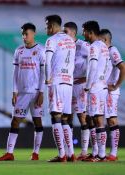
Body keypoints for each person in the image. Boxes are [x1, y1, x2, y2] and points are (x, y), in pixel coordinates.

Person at [0, 23, 45, 161]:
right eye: (22, 34)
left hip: (35, 93)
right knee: (15, 121)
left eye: (26, 34)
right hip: (22, 93)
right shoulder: (19, 51)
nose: (24, 36)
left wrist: (41, 92)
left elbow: (43, 73)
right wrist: (14, 91)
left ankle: (35, 153)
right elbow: (15, 73)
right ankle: (9, 153)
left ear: (33, 33)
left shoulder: (41, 50)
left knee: (38, 122)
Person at [44, 15, 76, 162]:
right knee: (65, 118)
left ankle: (62, 155)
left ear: (51, 25)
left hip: (56, 81)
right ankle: (71, 154)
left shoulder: (52, 40)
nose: (46, 29)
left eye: (46, 26)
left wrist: (47, 78)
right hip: (68, 82)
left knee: (55, 116)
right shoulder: (70, 40)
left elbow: (48, 61)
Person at [82, 21, 112, 162]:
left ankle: (101, 154)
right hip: (102, 86)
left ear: (90, 32)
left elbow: (93, 67)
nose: (83, 34)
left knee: (97, 120)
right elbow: (109, 67)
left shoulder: (94, 47)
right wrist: (103, 80)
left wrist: (88, 86)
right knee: (97, 118)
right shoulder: (104, 47)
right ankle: (98, 153)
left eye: (84, 31)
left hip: (94, 87)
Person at [63, 22, 91, 160]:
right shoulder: (64, 46)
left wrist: (87, 78)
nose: (63, 34)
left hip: (81, 85)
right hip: (68, 84)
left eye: (66, 31)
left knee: (82, 117)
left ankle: (84, 151)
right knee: (67, 117)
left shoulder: (83, 46)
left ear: (73, 32)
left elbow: (96, 61)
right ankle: (69, 152)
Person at [99, 29, 125, 161]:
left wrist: (115, 86)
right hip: (103, 90)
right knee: (101, 119)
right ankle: (100, 153)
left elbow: (123, 67)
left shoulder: (112, 51)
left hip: (110, 91)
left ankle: (113, 153)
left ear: (104, 40)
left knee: (111, 120)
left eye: (99, 40)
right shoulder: (103, 52)